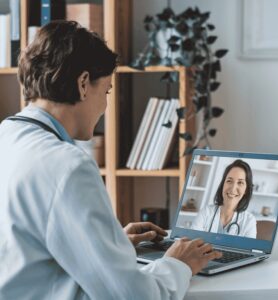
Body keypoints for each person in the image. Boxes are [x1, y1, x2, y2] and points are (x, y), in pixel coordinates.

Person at [0, 21, 221, 300]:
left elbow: (26, 248)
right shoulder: (68, 165)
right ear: (83, 84)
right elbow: (132, 297)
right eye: (106, 91)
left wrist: (107, 245)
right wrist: (178, 264)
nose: (105, 106)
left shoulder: (7, 136)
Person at [191, 159, 257, 238]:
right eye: (229, 181)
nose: (233, 189)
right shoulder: (206, 212)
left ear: (246, 189)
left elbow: (247, 250)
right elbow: (192, 243)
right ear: (223, 184)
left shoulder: (249, 221)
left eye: (240, 183)